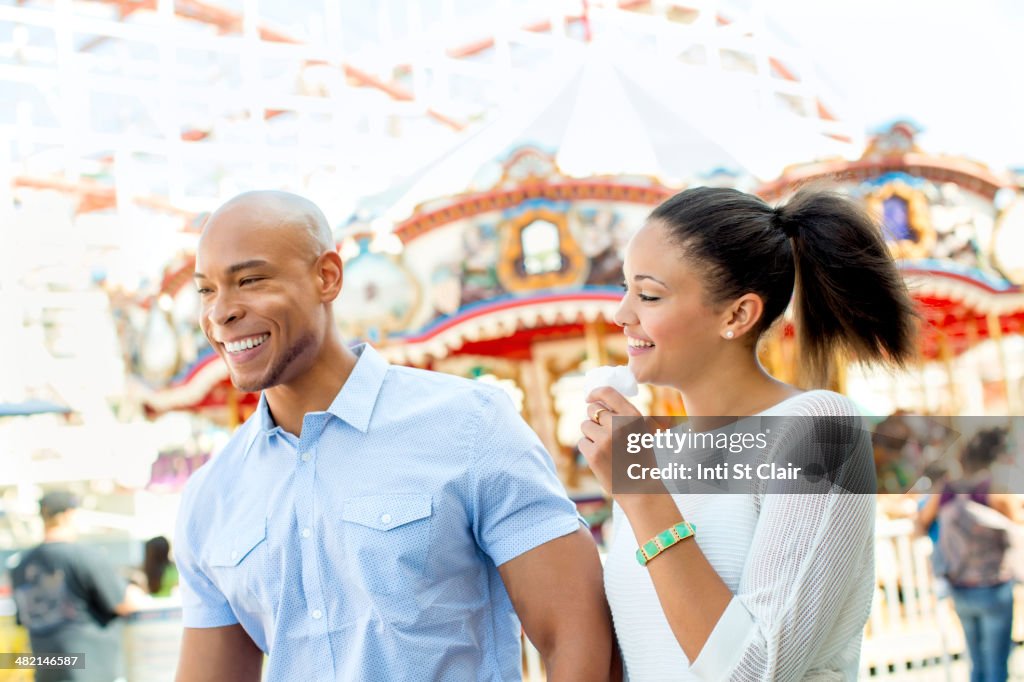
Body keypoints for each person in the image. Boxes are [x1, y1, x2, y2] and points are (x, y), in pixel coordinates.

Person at [175, 191, 614, 681]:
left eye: (249, 280)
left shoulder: (469, 425)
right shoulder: (210, 496)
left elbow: (577, 635)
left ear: (327, 276)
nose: (220, 312)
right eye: (206, 290)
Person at [578, 186, 918, 680]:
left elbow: (757, 670)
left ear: (737, 315)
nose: (622, 313)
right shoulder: (656, 457)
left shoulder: (818, 429)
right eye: (626, 288)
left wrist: (643, 494)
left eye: (648, 294)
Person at [10, 490, 147, 682]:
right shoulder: (84, 556)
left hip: (46, 670)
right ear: (69, 515)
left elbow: (23, 620)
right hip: (90, 671)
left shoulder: (21, 565)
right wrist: (137, 589)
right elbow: (125, 602)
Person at [931, 428, 1021, 682]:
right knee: (996, 665)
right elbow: (1015, 523)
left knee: (977, 663)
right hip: (993, 585)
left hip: (960, 583)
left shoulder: (946, 489)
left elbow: (921, 522)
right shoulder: (994, 489)